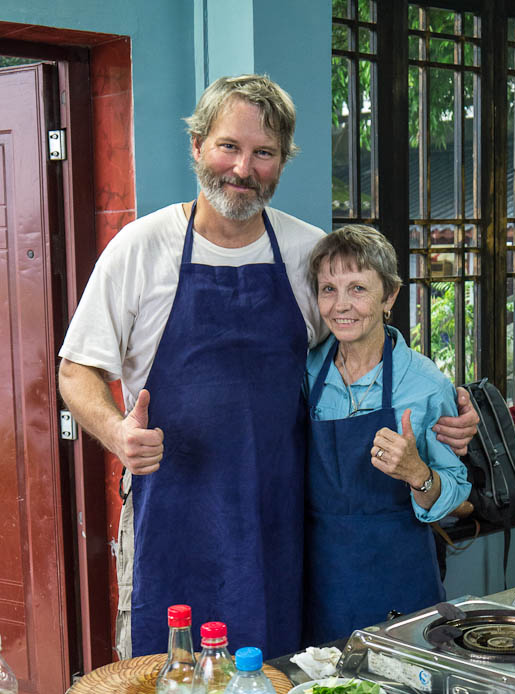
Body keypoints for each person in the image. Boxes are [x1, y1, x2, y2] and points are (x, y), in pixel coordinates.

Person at [58, 74, 477, 660]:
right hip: (174, 517)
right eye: (229, 146)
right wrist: (115, 432)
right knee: (171, 683)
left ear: (282, 161)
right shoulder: (141, 248)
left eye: (264, 153)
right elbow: (75, 370)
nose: (243, 168)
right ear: (197, 145)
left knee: (278, 683)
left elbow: (358, 351)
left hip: (282, 524)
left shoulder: (307, 252)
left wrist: (441, 408)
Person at [303, 225, 472, 645]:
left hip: (399, 573)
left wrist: (418, 474)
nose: (341, 306)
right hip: (321, 575)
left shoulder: (425, 384)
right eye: (328, 289)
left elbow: (456, 490)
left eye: (358, 289)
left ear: (390, 296)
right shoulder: (306, 371)